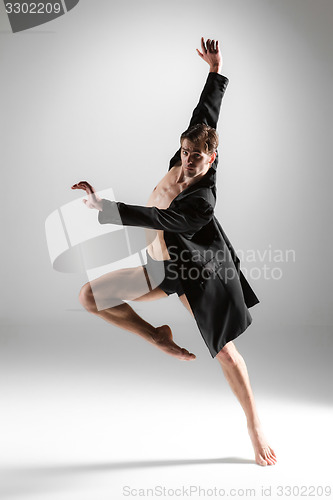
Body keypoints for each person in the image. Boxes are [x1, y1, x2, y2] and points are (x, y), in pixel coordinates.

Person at [71, 37, 277, 466]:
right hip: (161, 265)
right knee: (90, 297)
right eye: (184, 152)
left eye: (197, 157)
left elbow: (161, 220)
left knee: (225, 352)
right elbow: (205, 115)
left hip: (197, 272)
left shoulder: (202, 200)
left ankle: (255, 425)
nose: (187, 162)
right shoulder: (187, 152)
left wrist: (103, 208)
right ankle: (157, 337)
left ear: (213, 158)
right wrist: (215, 72)